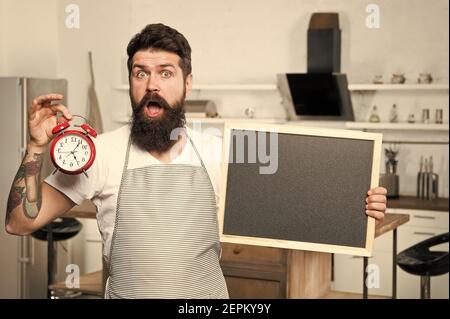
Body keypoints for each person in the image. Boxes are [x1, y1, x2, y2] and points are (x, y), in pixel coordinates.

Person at [5, 23, 387, 299]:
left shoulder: (221, 151)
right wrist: (36, 148)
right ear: (133, 82)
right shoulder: (100, 152)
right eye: (141, 74)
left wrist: (358, 206)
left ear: (187, 83)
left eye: (165, 73)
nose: (152, 84)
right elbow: (19, 224)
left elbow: (301, 206)